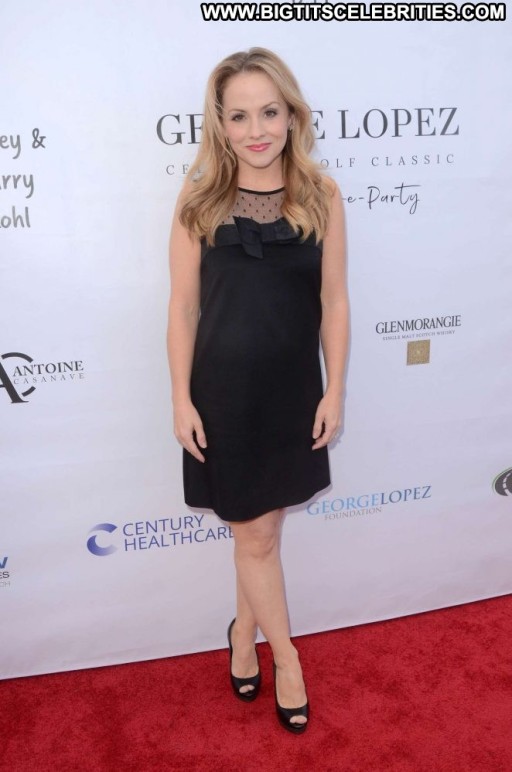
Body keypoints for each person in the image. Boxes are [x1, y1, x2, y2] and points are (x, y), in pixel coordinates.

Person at [167, 47, 349, 733]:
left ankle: (243, 635)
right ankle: (288, 659)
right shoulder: (197, 201)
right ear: (219, 123)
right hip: (222, 397)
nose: (256, 130)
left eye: (269, 112)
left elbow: (334, 302)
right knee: (257, 537)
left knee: (261, 534)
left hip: (292, 393)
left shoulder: (321, 195)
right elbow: (183, 308)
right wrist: (180, 398)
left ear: (292, 115)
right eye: (239, 116)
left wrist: (334, 390)